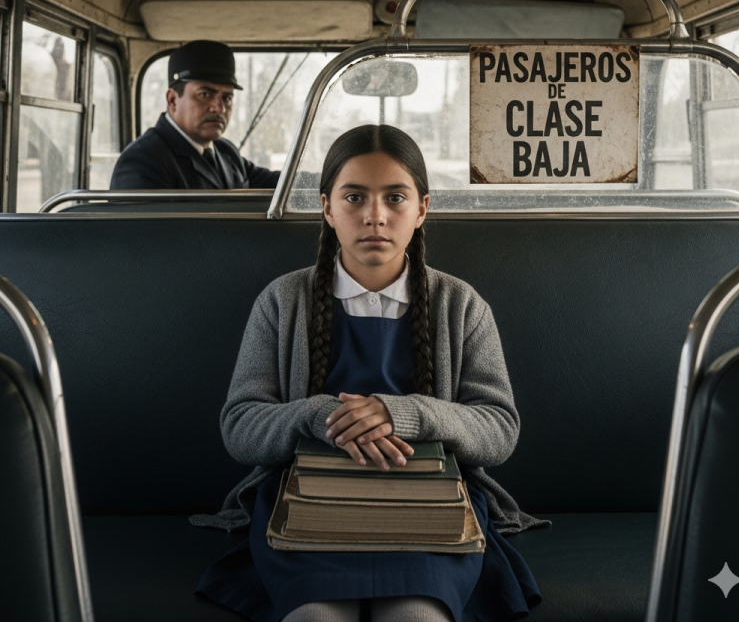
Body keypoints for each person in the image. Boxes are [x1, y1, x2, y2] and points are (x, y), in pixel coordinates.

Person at [191, 124, 552, 622]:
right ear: (327, 207)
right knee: (314, 616)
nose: (374, 217)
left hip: (431, 512)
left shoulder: (461, 305)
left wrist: (402, 415)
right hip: (305, 508)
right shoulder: (282, 301)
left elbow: (499, 428)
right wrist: (321, 418)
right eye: (355, 197)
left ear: (422, 209)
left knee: (416, 616)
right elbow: (240, 426)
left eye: (395, 198)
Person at [110, 40, 280, 190]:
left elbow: (280, 184)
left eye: (227, 98)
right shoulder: (143, 161)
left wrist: (306, 183)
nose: (219, 108)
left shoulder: (225, 151)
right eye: (205, 95)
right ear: (172, 100)